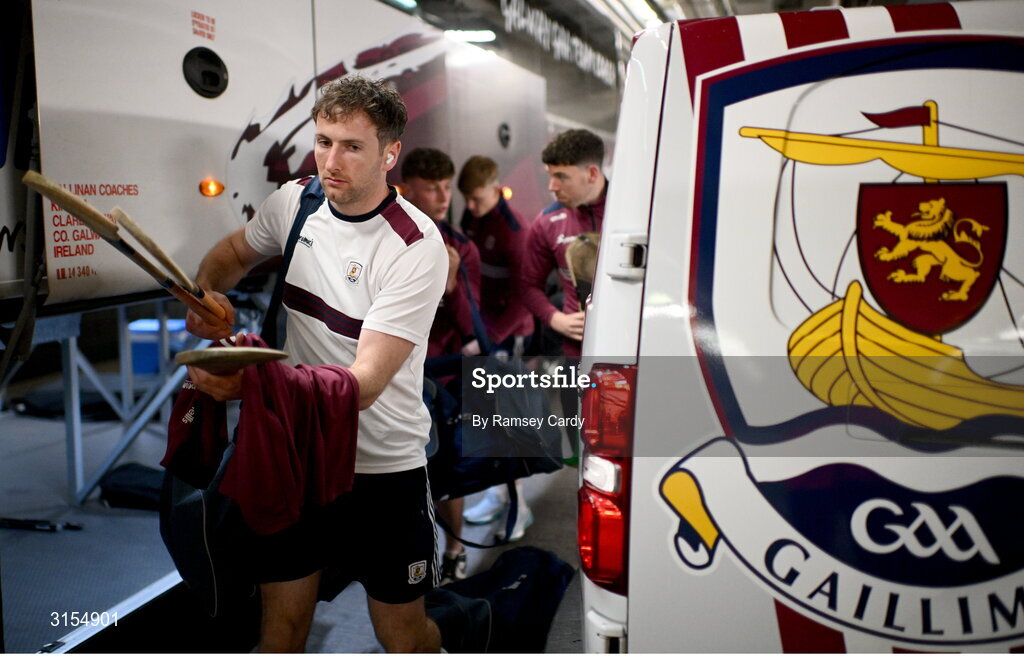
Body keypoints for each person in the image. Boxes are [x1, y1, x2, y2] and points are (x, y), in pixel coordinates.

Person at [184, 76, 448, 653]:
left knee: (402, 636)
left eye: (352, 146)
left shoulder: (414, 245)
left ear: (389, 154)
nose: (331, 160)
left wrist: (250, 388)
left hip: (384, 466)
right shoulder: (297, 201)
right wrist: (205, 299)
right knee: (281, 631)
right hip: (299, 456)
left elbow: (365, 384)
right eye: (323, 141)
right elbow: (233, 254)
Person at [400, 147, 480, 585]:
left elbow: (472, 327)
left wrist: (448, 284)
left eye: (447, 187)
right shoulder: (386, 235)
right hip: (393, 373)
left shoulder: (461, 247)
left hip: (441, 373)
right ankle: (410, 555)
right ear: (407, 187)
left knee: (445, 470)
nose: (443, 196)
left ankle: (455, 548)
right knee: (405, 472)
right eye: (432, 187)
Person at [520, 128, 608, 469]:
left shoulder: (638, 212)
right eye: (549, 176)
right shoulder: (546, 223)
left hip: (633, 357)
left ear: (591, 173)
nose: (552, 186)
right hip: (576, 360)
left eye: (561, 177)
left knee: (632, 453)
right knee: (583, 461)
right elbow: (528, 286)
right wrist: (555, 318)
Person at [457, 155, 535, 533]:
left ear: (495, 187)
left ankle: (518, 508)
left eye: (476, 199)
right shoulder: (472, 217)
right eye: (466, 200)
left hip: (509, 334)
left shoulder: (514, 230)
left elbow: (525, 295)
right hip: (481, 332)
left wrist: (489, 341)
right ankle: (497, 495)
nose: (469, 208)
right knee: (486, 420)